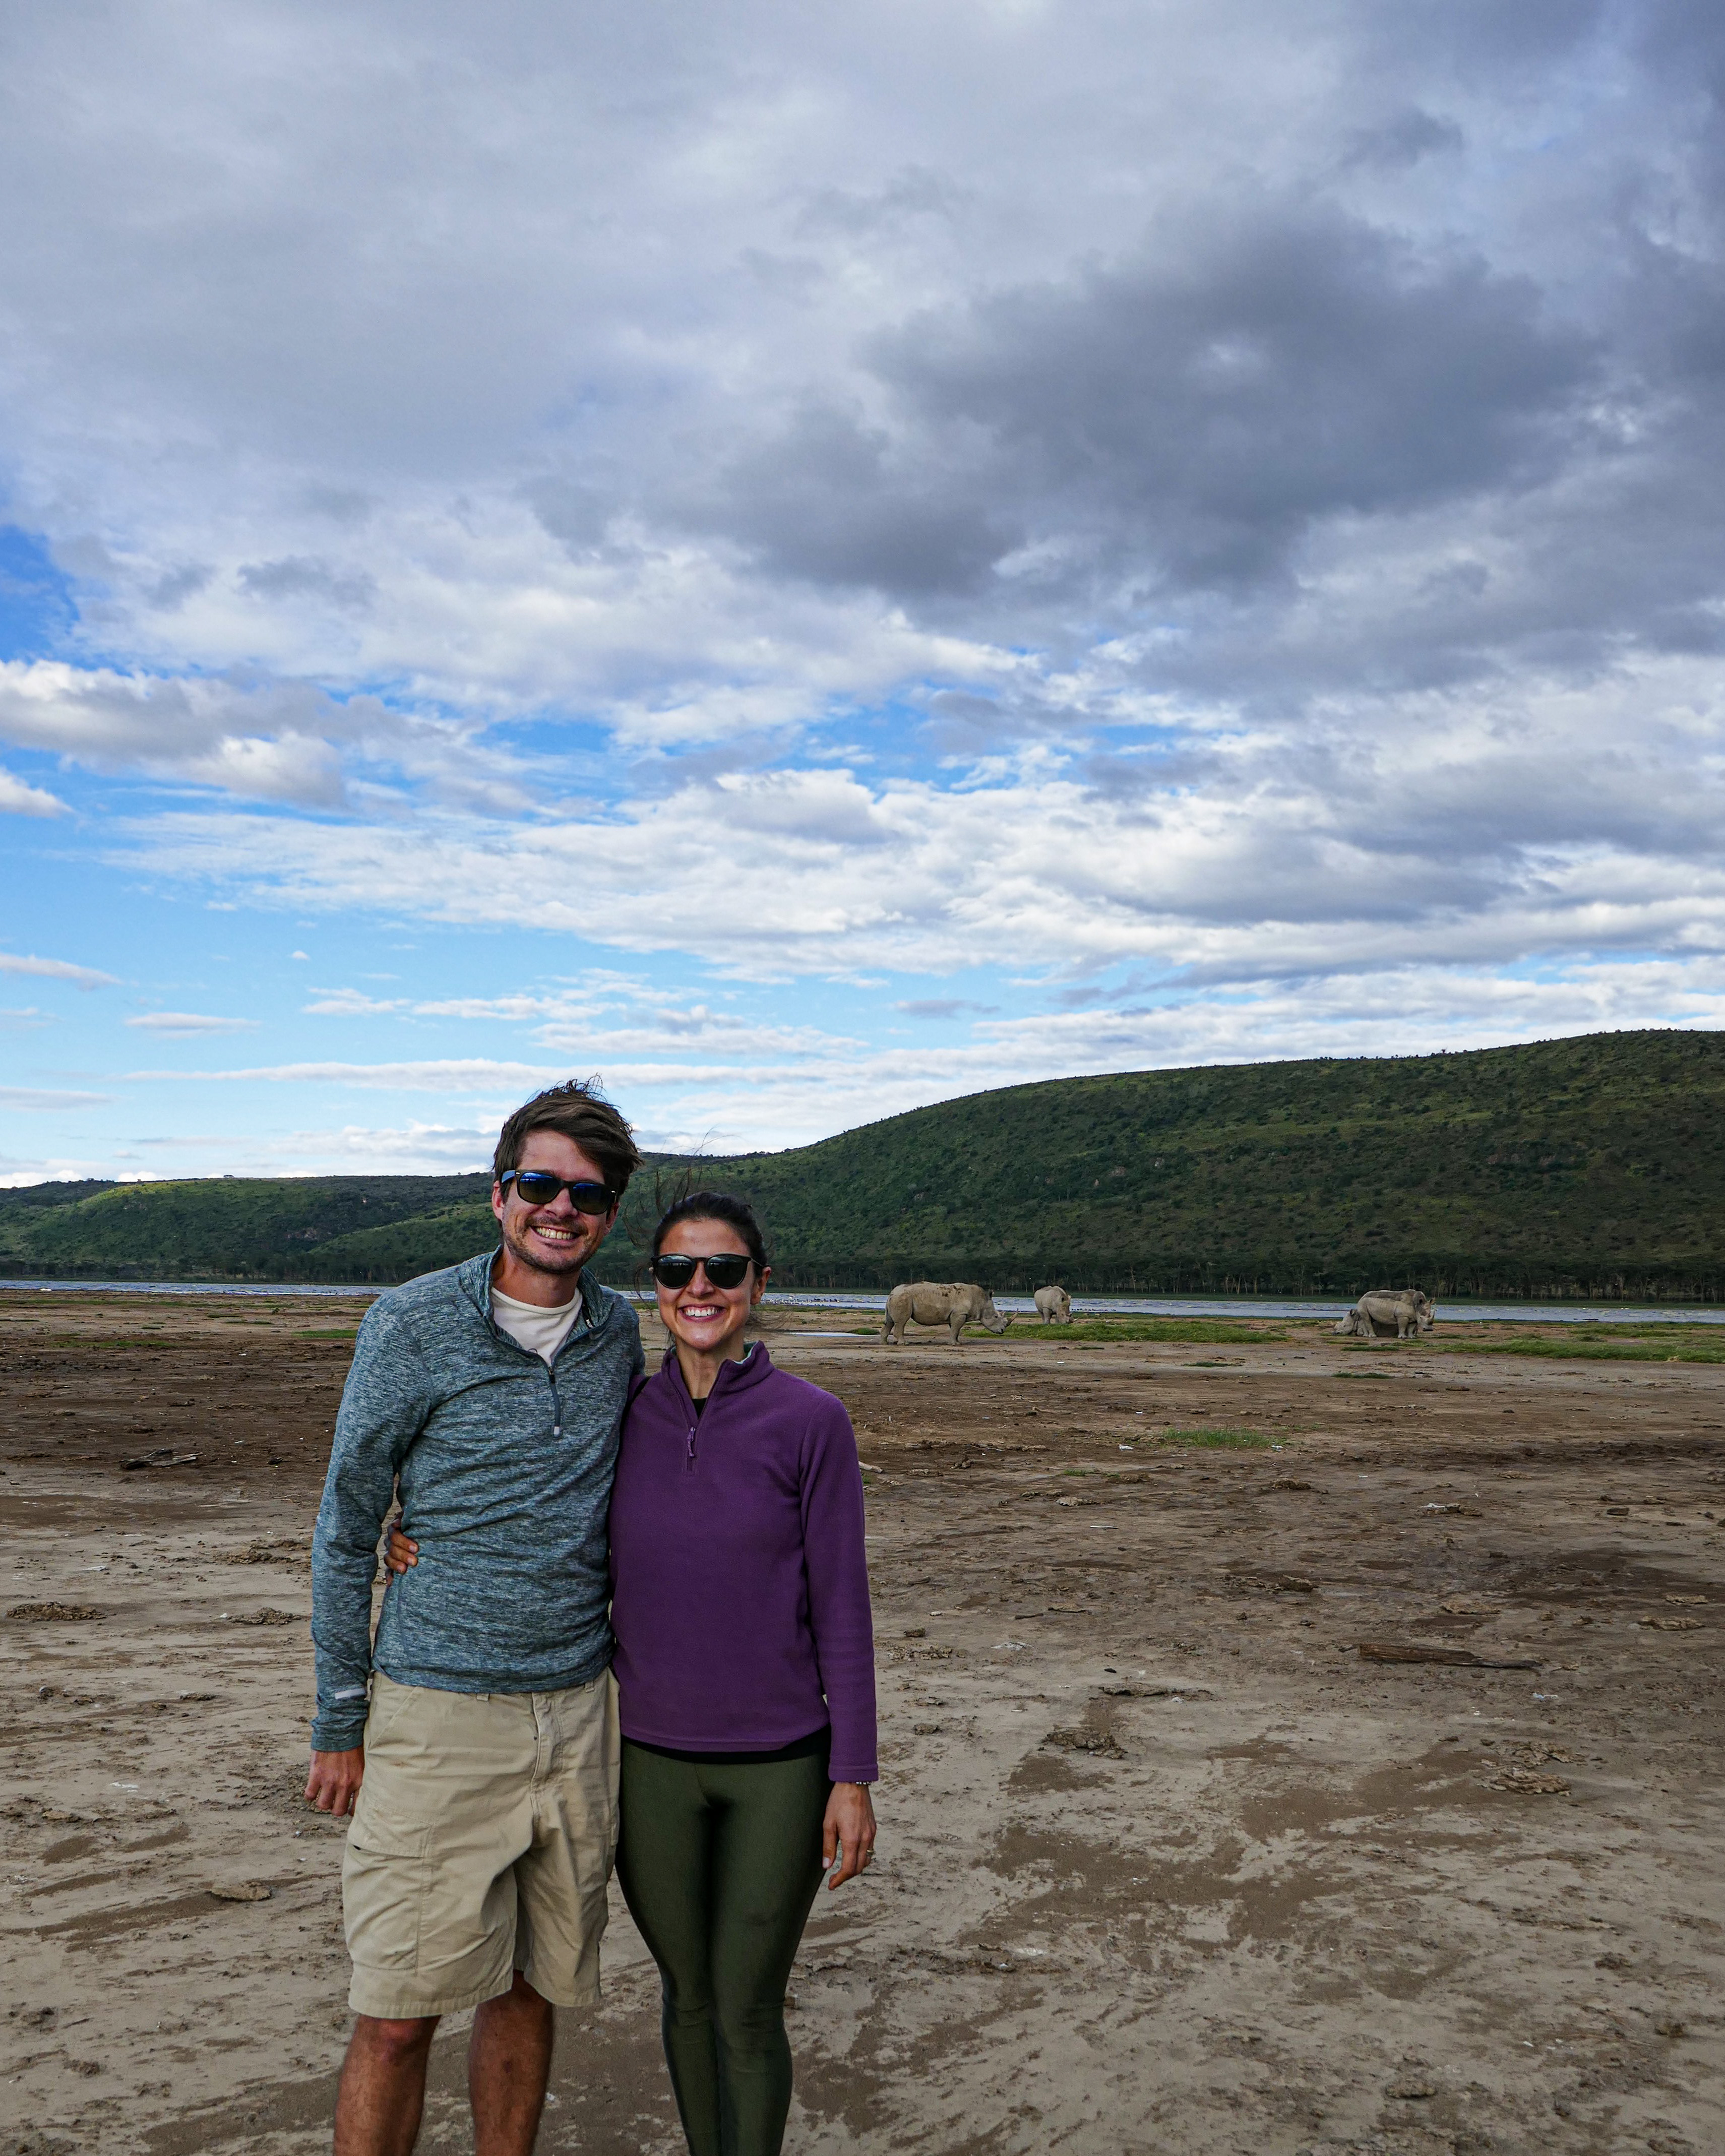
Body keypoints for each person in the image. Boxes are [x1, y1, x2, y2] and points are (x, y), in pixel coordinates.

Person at [389, 1189, 878, 2156]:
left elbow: (844, 1607)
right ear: (653, 1285)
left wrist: (853, 1775)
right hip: (646, 1762)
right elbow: (533, 1501)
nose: (700, 1287)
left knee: (746, 2005)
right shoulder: (625, 1412)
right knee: (686, 1996)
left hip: (781, 1767)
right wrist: (417, 1536)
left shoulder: (811, 1421)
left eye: (723, 1269)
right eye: (676, 1269)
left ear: (758, 1283)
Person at [305, 1079, 645, 2156]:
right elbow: (347, 1523)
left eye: (587, 1194)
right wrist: (339, 1716)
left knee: (530, 1990)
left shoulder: (618, 1332)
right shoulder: (411, 1323)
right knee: (397, 2012)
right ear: (499, 1194)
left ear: (609, 1215)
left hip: (578, 1714)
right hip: (437, 1714)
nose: (561, 1209)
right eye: (539, 1184)